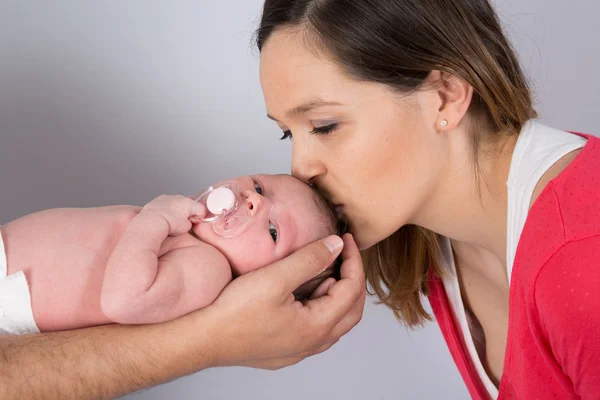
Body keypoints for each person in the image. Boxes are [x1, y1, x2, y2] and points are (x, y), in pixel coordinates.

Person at [255, 0, 599, 399]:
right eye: (287, 133)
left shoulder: (582, 261)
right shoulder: (436, 238)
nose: (300, 169)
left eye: (324, 126)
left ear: (446, 96)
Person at [0, 174, 345, 334]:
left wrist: (154, 219)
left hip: (10, 298)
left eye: (273, 231)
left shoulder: (208, 269)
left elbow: (125, 300)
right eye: (259, 187)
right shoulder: (189, 236)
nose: (255, 199)